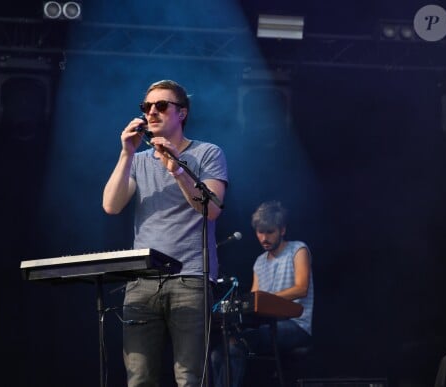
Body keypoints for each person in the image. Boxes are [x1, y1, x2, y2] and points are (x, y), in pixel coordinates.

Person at [102, 79, 228, 387]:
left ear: (182, 113)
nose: (152, 112)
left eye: (161, 106)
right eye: (147, 107)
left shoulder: (207, 153)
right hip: (142, 282)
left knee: (190, 378)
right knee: (139, 378)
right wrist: (126, 153)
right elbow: (111, 205)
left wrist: (177, 169)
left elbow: (211, 209)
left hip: (191, 279)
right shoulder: (138, 160)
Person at [211, 200, 314, 387]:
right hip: (267, 326)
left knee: (235, 347)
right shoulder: (259, 261)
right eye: (260, 232)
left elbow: (301, 288)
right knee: (218, 353)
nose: (264, 238)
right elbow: (254, 301)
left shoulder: (298, 250)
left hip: (296, 326)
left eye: (269, 232)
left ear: (282, 230)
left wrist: (264, 300)